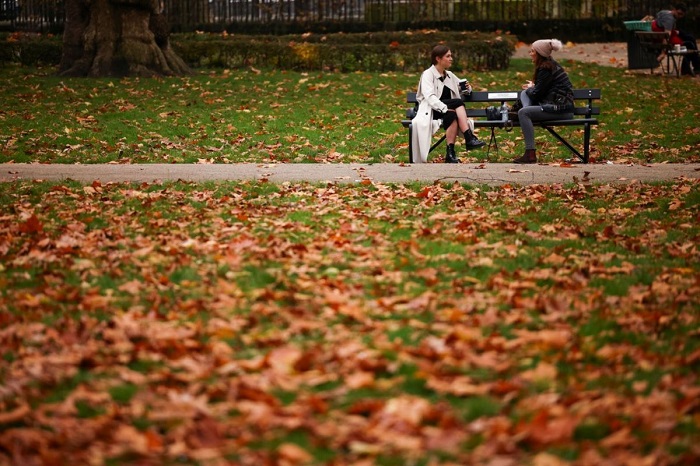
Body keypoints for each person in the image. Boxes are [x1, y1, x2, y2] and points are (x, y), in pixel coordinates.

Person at [411, 45, 485, 164]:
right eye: (448, 56)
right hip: (431, 110)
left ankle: (450, 153)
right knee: (457, 102)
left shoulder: (449, 75)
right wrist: (444, 108)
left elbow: (461, 88)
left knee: (452, 116)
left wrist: (467, 88)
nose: (451, 58)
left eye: (451, 56)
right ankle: (469, 137)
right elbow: (429, 97)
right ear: (438, 59)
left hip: (447, 111)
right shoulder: (427, 74)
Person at [511, 39, 574, 164]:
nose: (530, 53)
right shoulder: (549, 65)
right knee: (524, 98)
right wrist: (533, 87)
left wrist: (531, 88)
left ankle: (530, 154)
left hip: (560, 110)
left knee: (524, 112)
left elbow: (536, 95)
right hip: (556, 107)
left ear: (539, 54)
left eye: (533, 51)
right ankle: (526, 113)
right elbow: (543, 90)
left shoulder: (546, 68)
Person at [652, 3, 699, 76]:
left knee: (690, 38)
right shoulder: (669, 19)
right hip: (670, 39)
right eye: (679, 13)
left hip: (665, 34)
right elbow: (666, 36)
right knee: (690, 43)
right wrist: (663, 52)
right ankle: (691, 68)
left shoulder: (664, 12)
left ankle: (695, 67)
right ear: (674, 10)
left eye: (682, 15)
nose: (680, 16)